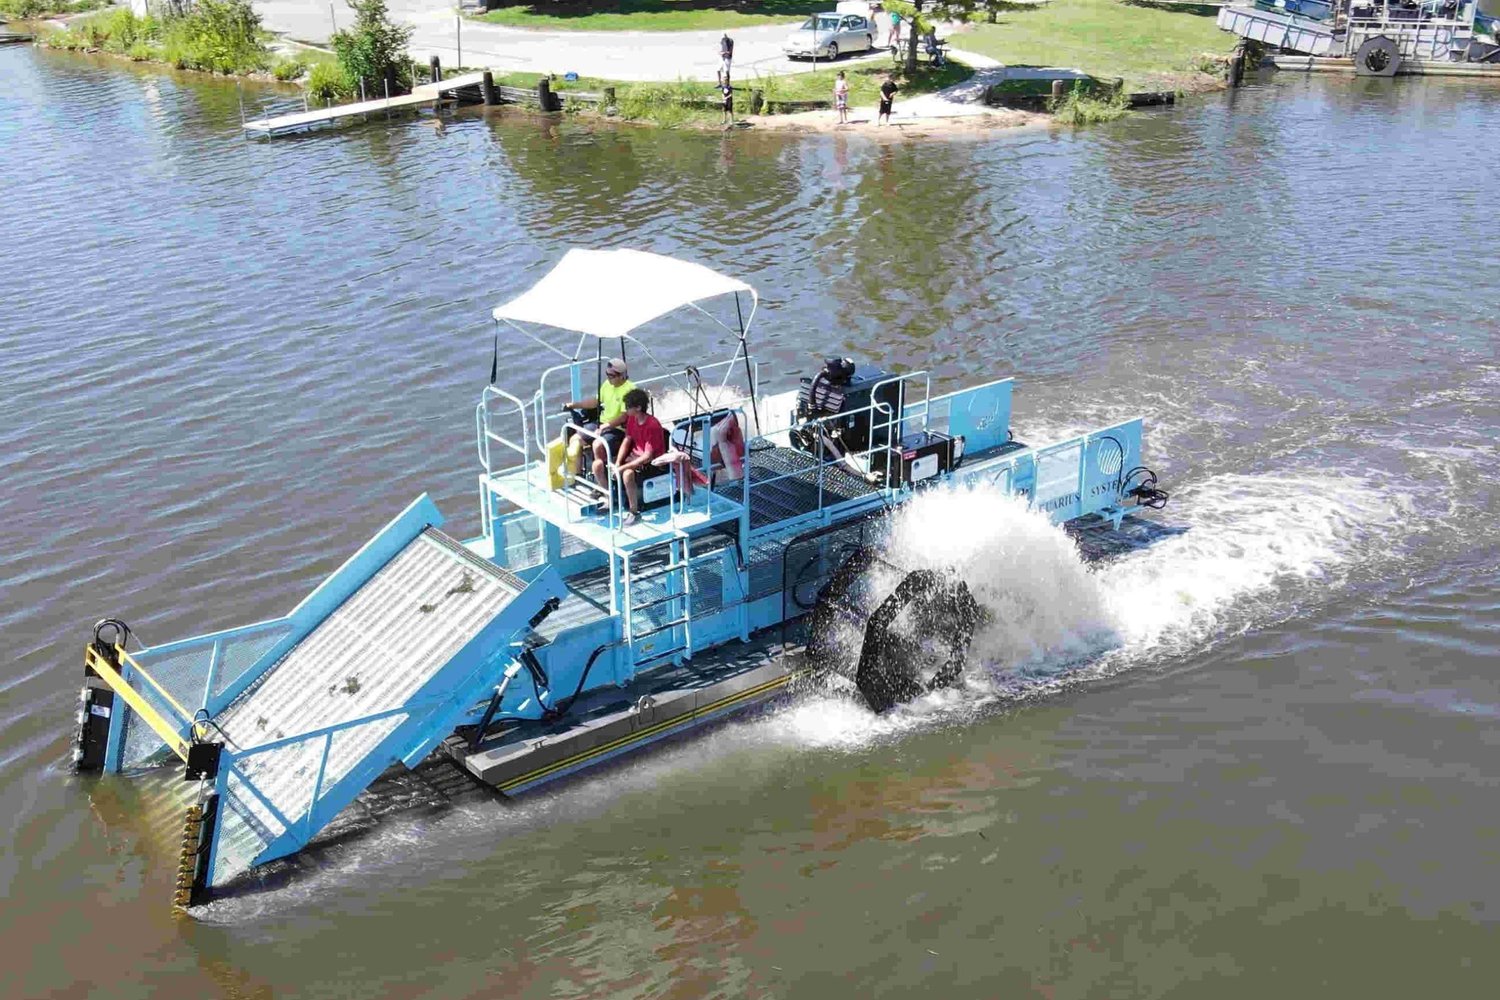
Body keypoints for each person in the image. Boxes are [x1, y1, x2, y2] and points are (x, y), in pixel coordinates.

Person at [563, 358, 634, 482]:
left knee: (598, 445)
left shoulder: (629, 390)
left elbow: (624, 416)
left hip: (618, 429)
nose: (608, 378)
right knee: (575, 439)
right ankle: (579, 476)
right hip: (601, 423)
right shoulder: (607, 385)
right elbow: (595, 402)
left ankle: (602, 482)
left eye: (611, 376)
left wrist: (605, 427)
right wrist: (574, 405)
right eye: (607, 374)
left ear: (622, 376)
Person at [609, 388, 664, 527]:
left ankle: (634, 512)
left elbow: (647, 456)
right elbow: (627, 440)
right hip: (635, 457)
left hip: (653, 463)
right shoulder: (632, 420)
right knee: (604, 464)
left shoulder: (652, 425)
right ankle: (612, 500)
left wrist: (622, 468)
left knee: (627, 474)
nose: (626, 410)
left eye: (628, 407)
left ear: (638, 407)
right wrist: (617, 463)